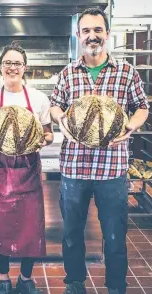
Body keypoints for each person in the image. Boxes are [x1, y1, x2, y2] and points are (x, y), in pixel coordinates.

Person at [50, 8, 149, 294]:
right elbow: (55, 104)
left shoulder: (126, 72)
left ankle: (116, 287)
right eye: (86, 30)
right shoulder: (67, 73)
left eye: (97, 30)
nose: (92, 35)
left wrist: (129, 126)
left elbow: (143, 107)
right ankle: (75, 283)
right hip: (74, 168)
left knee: (115, 235)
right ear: (78, 35)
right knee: (71, 234)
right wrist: (61, 120)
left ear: (106, 33)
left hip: (112, 169)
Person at [0, 43, 54, 294]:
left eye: (17, 63)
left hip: (29, 169)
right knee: (0, 227)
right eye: (7, 63)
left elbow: (49, 134)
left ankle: (25, 279)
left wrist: (44, 139)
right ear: (1, 67)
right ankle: (4, 279)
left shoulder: (40, 99)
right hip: (1, 171)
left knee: (31, 227)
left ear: (25, 68)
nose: (12, 67)